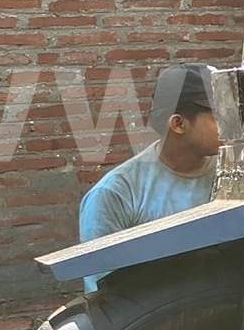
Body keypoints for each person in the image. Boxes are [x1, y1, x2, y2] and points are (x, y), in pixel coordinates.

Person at [78, 65, 221, 247]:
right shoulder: (115, 194)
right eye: (219, 115)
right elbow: (102, 272)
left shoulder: (240, 173)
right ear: (178, 124)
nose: (232, 122)